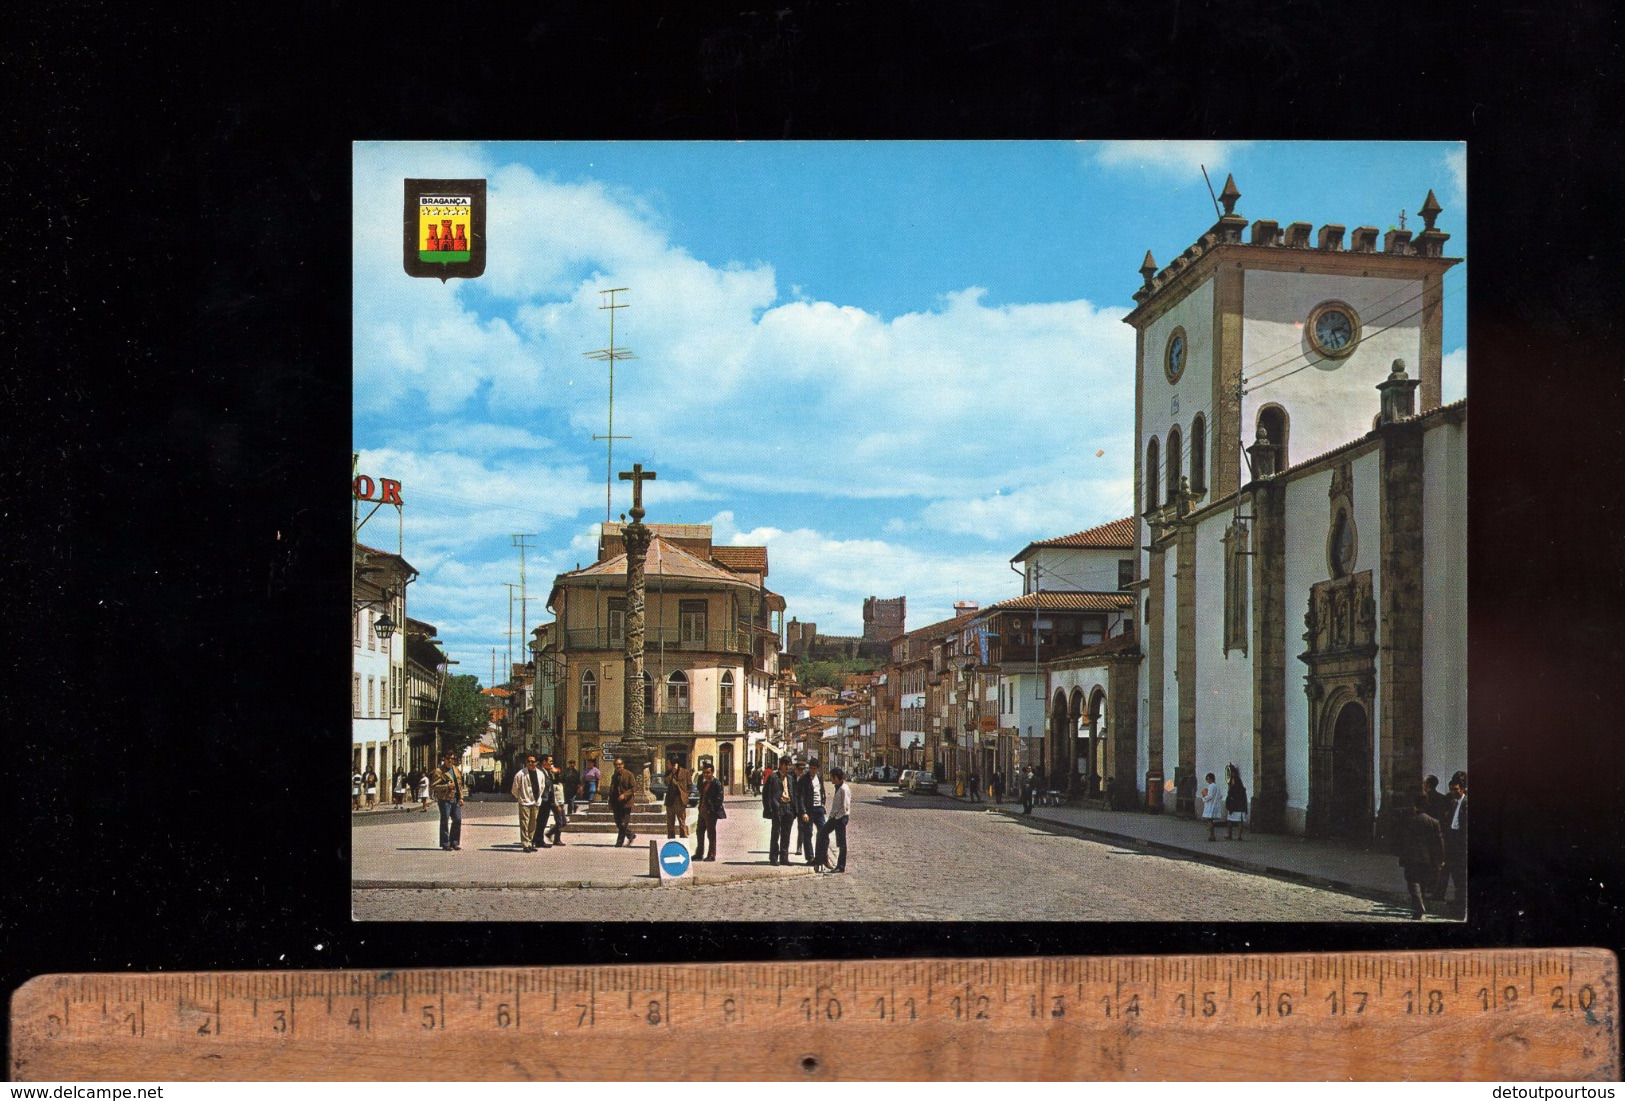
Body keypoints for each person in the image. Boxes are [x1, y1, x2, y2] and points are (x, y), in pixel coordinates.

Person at [1396, 795, 1445, 919]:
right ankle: (1420, 907)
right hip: (1427, 858)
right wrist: (1440, 859)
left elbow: (1402, 840)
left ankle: (1419, 907)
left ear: (1415, 806)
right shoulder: (1434, 822)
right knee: (1422, 882)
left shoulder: (1408, 820)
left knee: (1413, 882)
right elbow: (1439, 842)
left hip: (1411, 858)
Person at [816, 767, 851, 873]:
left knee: (841, 843)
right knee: (822, 834)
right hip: (835, 817)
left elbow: (844, 807)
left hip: (840, 818)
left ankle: (841, 866)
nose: (831, 779)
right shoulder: (838, 787)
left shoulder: (844, 789)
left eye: (832, 777)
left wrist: (835, 818)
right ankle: (821, 859)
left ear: (836, 777)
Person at [1441, 775, 1468, 914]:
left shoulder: (1466, 803)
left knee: (1461, 874)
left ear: (1463, 789)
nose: (1453, 792)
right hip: (1452, 842)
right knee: (1455, 873)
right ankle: (1458, 900)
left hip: (1461, 844)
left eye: (1456, 789)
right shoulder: (1452, 802)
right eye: (1451, 789)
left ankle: (1462, 902)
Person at [510, 753, 548, 853]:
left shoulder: (540, 774)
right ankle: (525, 844)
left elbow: (542, 786)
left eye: (532, 761)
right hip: (524, 802)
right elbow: (515, 788)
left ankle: (531, 842)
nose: (530, 763)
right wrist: (519, 798)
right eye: (528, 761)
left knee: (533, 824)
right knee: (524, 824)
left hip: (535, 802)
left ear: (536, 762)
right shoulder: (520, 774)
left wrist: (538, 797)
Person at [793, 757, 827, 865]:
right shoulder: (804, 779)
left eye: (814, 768)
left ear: (818, 769)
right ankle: (810, 857)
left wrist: (823, 801)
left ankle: (822, 857)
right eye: (811, 768)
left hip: (819, 809)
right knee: (808, 834)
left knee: (823, 832)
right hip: (809, 810)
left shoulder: (819, 777)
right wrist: (803, 812)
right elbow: (800, 797)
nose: (812, 770)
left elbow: (822, 790)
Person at [429, 752, 466, 851]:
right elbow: (433, 786)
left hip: (455, 799)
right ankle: (445, 843)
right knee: (445, 821)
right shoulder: (439, 771)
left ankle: (454, 842)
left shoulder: (455, 769)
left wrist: (461, 797)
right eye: (448, 758)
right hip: (444, 799)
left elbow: (459, 785)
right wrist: (446, 786)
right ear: (444, 759)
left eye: (452, 759)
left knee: (457, 819)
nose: (450, 761)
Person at [763, 760, 794, 865]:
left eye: (789, 765)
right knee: (776, 833)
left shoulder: (790, 778)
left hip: (788, 807)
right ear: (781, 765)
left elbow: (793, 793)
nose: (788, 767)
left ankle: (784, 858)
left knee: (786, 834)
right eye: (786, 765)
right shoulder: (773, 777)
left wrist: (794, 809)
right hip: (778, 807)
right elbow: (766, 794)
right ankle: (774, 857)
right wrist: (769, 808)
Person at [694, 762, 726, 862]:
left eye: (708, 773)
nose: (706, 775)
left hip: (710, 812)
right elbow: (700, 791)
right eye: (704, 773)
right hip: (702, 810)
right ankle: (699, 853)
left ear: (712, 773)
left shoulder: (716, 783)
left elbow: (719, 798)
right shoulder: (704, 783)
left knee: (711, 834)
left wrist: (712, 810)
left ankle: (711, 854)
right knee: (699, 832)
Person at [608, 757, 638, 847]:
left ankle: (619, 842)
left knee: (623, 823)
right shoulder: (614, 776)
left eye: (619, 764)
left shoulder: (629, 774)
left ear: (623, 765)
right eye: (616, 765)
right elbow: (612, 789)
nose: (617, 766)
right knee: (618, 823)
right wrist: (610, 802)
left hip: (626, 803)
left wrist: (625, 795)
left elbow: (634, 787)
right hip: (616, 803)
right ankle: (630, 835)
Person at [530, 753, 557, 848]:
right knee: (539, 821)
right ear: (544, 762)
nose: (551, 763)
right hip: (542, 799)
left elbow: (552, 784)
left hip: (548, 799)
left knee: (543, 821)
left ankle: (539, 840)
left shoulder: (547, 771)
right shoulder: (538, 771)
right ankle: (536, 840)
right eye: (550, 761)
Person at [664, 755, 691, 839]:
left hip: (680, 800)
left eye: (668, 763)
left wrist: (686, 795)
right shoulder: (668, 773)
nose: (667, 765)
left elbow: (690, 786)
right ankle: (671, 841)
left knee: (682, 823)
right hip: (670, 801)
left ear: (674, 764)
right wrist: (672, 773)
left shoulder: (685, 772)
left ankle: (683, 841)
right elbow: (666, 782)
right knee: (670, 824)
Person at [546, 760, 568, 846]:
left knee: (564, 822)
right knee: (559, 822)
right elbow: (553, 796)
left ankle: (550, 833)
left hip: (561, 804)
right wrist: (556, 805)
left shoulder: (560, 784)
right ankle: (557, 839)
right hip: (556, 805)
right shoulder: (553, 785)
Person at [1224, 763, 1248, 841]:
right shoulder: (1234, 781)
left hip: (1236, 805)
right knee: (1232, 821)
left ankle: (1238, 836)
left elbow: (1232, 793)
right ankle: (1232, 835)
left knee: (1237, 821)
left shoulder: (1236, 781)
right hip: (1236, 805)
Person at [1200, 772, 1225, 842]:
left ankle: (1212, 835)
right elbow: (1220, 796)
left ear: (1211, 779)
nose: (1207, 780)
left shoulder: (1211, 786)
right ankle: (1212, 835)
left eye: (1208, 779)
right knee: (1211, 821)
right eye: (1207, 779)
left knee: (1209, 821)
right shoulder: (1217, 786)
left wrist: (1203, 797)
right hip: (1215, 805)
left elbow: (1209, 796)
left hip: (1210, 806)